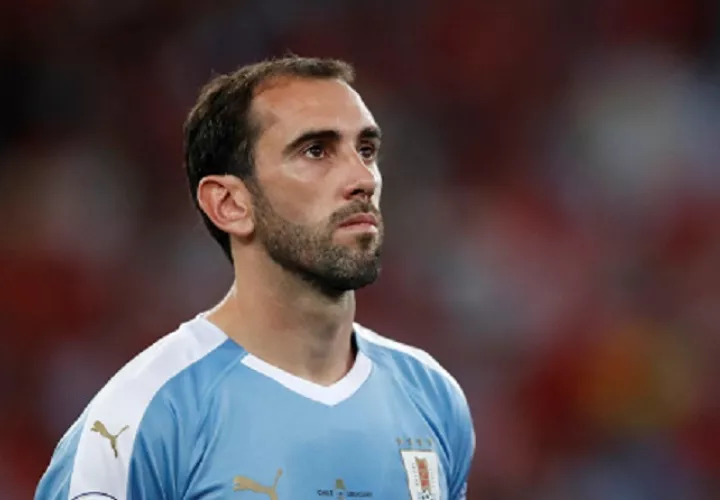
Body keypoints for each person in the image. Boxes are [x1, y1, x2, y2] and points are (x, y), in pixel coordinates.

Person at [35, 56, 475, 500]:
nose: (362, 178)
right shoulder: (144, 418)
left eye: (366, 150)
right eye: (316, 151)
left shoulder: (432, 397)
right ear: (230, 204)